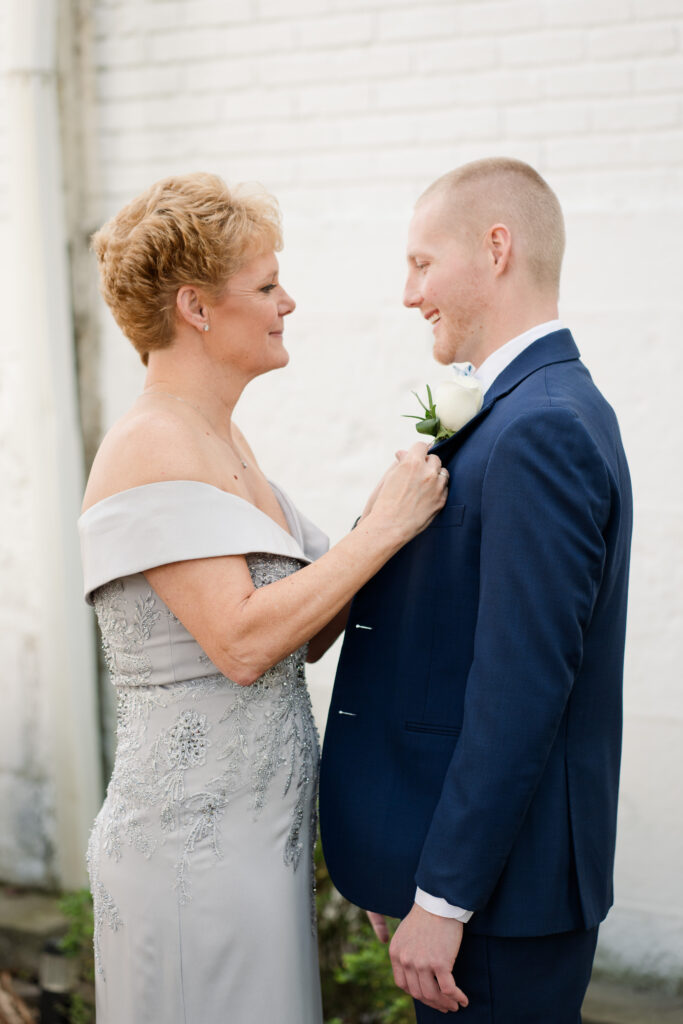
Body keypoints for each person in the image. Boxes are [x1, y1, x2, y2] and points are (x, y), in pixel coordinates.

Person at [78, 172, 448, 1024]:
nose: (289, 301)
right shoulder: (149, 446)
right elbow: (243, 645)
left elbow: (315, 622)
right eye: (267, 285)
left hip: (261, 845)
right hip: (188, 853)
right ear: (196, 308)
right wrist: (381, 529)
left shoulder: (225, 438)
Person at [319, 157, 633, 1022]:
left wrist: (443, 898)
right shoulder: (519, 409)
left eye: (422, 263)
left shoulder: (542, 429)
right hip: (475, 881)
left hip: (498, 899)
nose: (409, 294)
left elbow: (521, 688)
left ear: (496, 249)